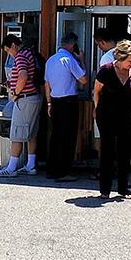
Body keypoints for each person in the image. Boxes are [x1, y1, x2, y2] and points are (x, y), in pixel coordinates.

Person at [93, 40, 131, 198]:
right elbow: (96, 91)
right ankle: (105, 189)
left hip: (126, 114)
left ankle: (124, 188)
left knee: (125, 151)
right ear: (120, 58)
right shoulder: (106, 70)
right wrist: (96, 109)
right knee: (107, 149)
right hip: (106, 114)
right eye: (129, 60)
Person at [44, 32, 88, 181]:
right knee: (68, 137)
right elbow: (83, 80)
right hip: (68, 101)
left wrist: (49, 102)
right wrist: (82, 60)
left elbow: (46, 84)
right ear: (72, 45)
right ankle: (63, 171)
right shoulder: (69, 60)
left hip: (55, 100)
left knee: (56, 136)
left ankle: (52, 169)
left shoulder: (50, 60)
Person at [0, 35, 41, 177]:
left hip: (24, 99)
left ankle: (11, 168)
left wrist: (15, 92)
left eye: (9, 51)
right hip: (34, 97)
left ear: (14, 45)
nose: (10, 54)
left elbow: (23, 75)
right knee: (31, 133)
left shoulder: (20, 57)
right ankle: (30, 165)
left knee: (17, 134)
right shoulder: (29, 53)